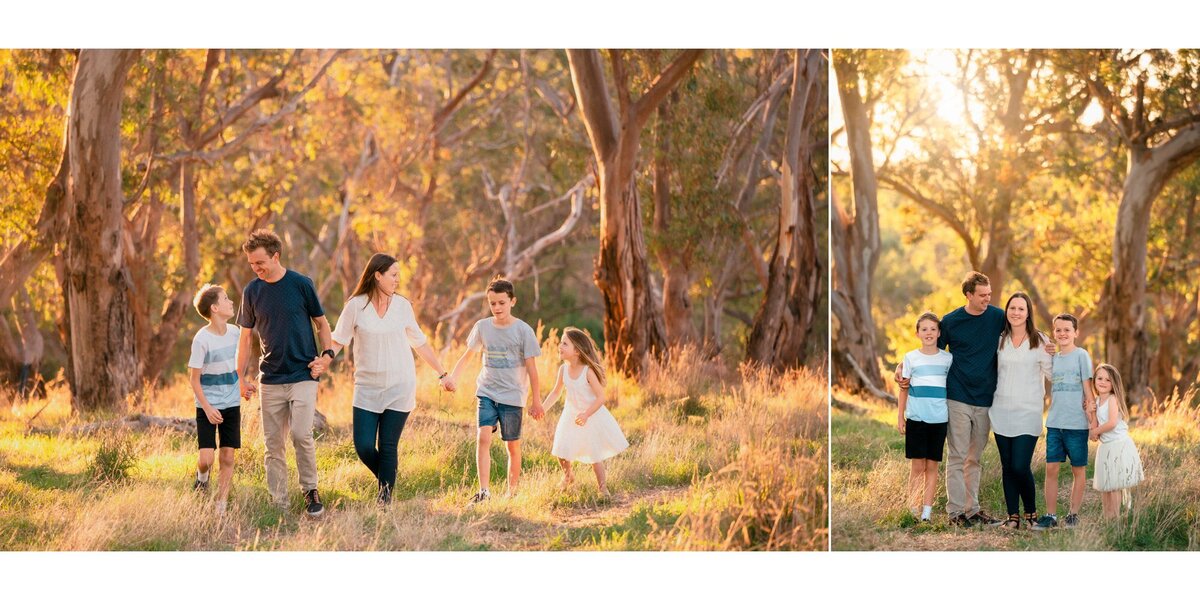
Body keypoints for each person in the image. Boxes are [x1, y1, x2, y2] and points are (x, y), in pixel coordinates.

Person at [309, 254, 450, 505]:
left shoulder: (403, 306)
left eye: (398, 275)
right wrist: (325, 360)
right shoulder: (356, 306)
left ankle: (384, 500)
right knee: (363, 446)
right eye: (393, 275)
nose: (398, 280)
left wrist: (442, 374)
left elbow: (420, 343)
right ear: (377, 275)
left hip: (400, 385)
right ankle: (387, 477)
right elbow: (339, 339)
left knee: (387, 446)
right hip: (367, 387)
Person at [236, 229, 334, 518]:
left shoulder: (301, 284)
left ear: (275, 256)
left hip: (303, 374)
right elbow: (244, 339)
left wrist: (326, 357)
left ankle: (310, 491)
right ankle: (279, 503)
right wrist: (240, 377)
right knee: (273, 445)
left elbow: (322, 324)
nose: (256, 269)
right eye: (252, 264)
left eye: (260, 263)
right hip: (270, 378)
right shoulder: (252, 291)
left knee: (302, 434)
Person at [900, 272, 1006, 526]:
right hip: (957, 397)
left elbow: (1024, 329)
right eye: (982, 295)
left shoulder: (997, 317)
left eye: (989, 294)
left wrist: (1047, 344)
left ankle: (972, 510)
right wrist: (900, 366)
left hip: (985, 399)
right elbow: (930, 350)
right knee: (958, 455)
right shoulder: (951, 321)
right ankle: (956, 513)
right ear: (968, 295)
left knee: (975, 457)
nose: (987, 299)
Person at [442, 275, 544, 503]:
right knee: (483, 438)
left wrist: (536, 400)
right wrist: (453, 378)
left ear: (512, 302)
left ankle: (512, 492)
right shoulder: (482, 327)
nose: (497, 308)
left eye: (501, 303)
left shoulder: (523, 331)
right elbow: (467, 356)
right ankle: (484, 492)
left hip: (513, 395)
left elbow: (533, 370)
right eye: (492, 303)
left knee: (512, 446)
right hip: (487, 391)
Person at [989, 292, 1053, 529]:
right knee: (1007, 465)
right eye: (1012, 308)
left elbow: (1053, 374)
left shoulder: (1041, 341)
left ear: (1028, 313)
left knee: (1020, 465)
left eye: (1021, 309)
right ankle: (1012, 517)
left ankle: (1031, 514)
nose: (1016, 312)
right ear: (1007, 311)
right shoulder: (999, 340)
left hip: (1028, 411)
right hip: (1001, 409)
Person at [541, 327, 628, 496]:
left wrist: (586, 414)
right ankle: (568, 477)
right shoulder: (563, 370)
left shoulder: (587, 372)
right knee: (561, 449)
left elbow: (601, 397)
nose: (560, 346)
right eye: (560, 342)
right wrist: (543, 409)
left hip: (590, 415)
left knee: (595, 455)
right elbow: (556, 392)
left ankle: (602, 488)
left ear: (577, 351)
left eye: (565, 344)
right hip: (570, 415)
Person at [1032, 313, 1097, 530]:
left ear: (1076, 333)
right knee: (1051, 469)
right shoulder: (1054, 359)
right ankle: (1051, 516)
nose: (1062, 333)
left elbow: (1089, 391)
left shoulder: (1081, 355)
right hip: (1055, 423)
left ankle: (1073, 515)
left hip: (1077, 424)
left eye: (1067, 330)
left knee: (1079, 470)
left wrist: (1093, 423)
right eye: (1058, 330)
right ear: (1054, 333)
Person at [187, 284, 242, 516]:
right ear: (215, 308)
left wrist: (244, 384)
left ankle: (221, 504)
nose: (231, 302)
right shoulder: (201, 340)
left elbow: (239, 366)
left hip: (231, 402)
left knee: (228, 455)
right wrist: (207, 408)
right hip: (207, 405)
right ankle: (202, 477)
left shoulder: (236, 333)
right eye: (226, 299)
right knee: (207, 459)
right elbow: (194, 379)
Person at [895, 312, 952, 523]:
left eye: (933, 329)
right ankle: (913, 507)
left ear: (939, 333)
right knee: (917, 466)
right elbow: (904, 389)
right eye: (924, 329)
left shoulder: (948, 359)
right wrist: (901, 417)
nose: (929, 333)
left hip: (939, 419)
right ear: (918, 333)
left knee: (932, 465)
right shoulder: (910, 358)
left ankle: (927, 511)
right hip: (916, 418)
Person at [1089, 363, 1144, 519]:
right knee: (1106, 486)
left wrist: (1094, 432)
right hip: (1105, 447)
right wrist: (1089, 413)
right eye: (1099, 378)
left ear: (1114, 384)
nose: (1103, 382)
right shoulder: (1097, 400)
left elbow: (1112, 423)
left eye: (1108, 380)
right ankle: (1108, 518)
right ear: (1094, 380)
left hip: (1118, 446)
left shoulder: (1112, 399)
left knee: (1114, 487)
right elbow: (1095, 425)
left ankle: (1115, 519)